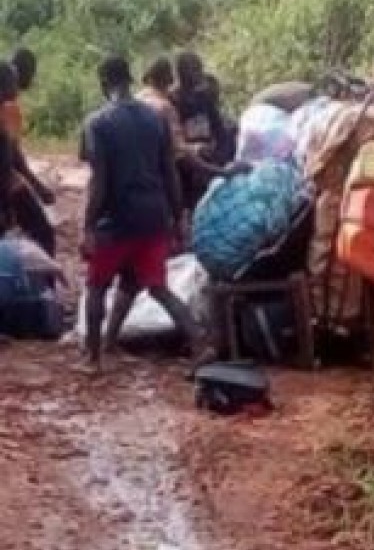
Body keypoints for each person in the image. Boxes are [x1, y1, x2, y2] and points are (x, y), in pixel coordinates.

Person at [80, 55, 202, 372]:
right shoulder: (155, 119)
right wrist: (178, 217)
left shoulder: (97, 123)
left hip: (116, 219)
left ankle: (93, 358)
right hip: (153, 216)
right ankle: (202, 343)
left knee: (96, 287)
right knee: (154, 287)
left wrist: (88, 225)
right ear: (130, 80)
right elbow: (170, 173)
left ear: (104, 84)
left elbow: (99, 180)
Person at [0, 62, 56, 256]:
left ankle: (46, 285)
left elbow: (16, 159)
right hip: (5, 189)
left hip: (9, 185)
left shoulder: (6, 113)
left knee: (44, 232)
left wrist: (39, 188)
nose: (16, 86)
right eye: (11, 81)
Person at [171, 51, 229, 210]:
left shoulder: (203, 97)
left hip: (211, 155)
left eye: (199, 69)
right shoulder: (173, 102)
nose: (200, 74)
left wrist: (220, 153)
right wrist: (196, 151)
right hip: (190, 163)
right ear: (182, 72)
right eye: (195, 69)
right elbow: (176, 142)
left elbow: (219, 128)